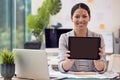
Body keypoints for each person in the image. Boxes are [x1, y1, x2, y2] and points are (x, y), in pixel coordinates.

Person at [58, 3, 106, 73]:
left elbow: (102, 69)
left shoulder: (98, 37)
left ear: (89, 18)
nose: (80, 20)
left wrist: (97, 61)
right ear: (71, 18)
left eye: (84, 16)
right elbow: (61, 68)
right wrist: (69, 61)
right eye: (77, 16)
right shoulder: (64, 38)